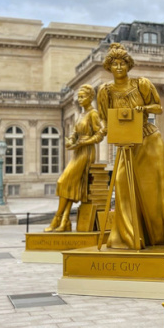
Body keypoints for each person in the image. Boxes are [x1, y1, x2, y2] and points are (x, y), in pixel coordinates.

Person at [97, 43, 164, 249]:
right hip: (126, 143)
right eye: (115, 64)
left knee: (155, 189)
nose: (119, 67)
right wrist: (105, 130)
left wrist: (143, 108)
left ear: (128, 65)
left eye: (122, 63)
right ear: (109, 67)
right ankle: (129, 236)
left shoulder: (141, 83)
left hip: (148, 139)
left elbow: (158, 107)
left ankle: (163, 234)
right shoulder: (105, 91)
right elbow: (104, 118)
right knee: (122, 184)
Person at [45, 84, 104, 232]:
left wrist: (86, 141)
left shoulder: (93, 114)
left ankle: (57, 218)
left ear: (90, 97)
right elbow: (74, 133)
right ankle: (64, 221)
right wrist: (70, 140)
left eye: (82, 97)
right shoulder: (81, 114)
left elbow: (100, 134)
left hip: (86, 152)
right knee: (70, 185)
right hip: (77, 151)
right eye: (79, 97)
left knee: (63, 181)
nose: (80, 99)